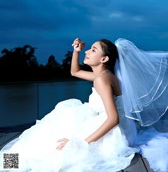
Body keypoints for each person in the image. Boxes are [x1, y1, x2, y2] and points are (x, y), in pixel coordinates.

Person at [0, 38, 137, 172]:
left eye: (93, 50)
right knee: (51, 131)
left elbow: (113, 118)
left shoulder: (101, 79)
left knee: (49, 145)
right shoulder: (104, 74)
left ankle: (9, 164)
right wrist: (76, 51)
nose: (87, 51)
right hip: (119, 126)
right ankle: (11, 162)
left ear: (104, 59)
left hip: (112, 132)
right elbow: (75, 72)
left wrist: (81, 143)